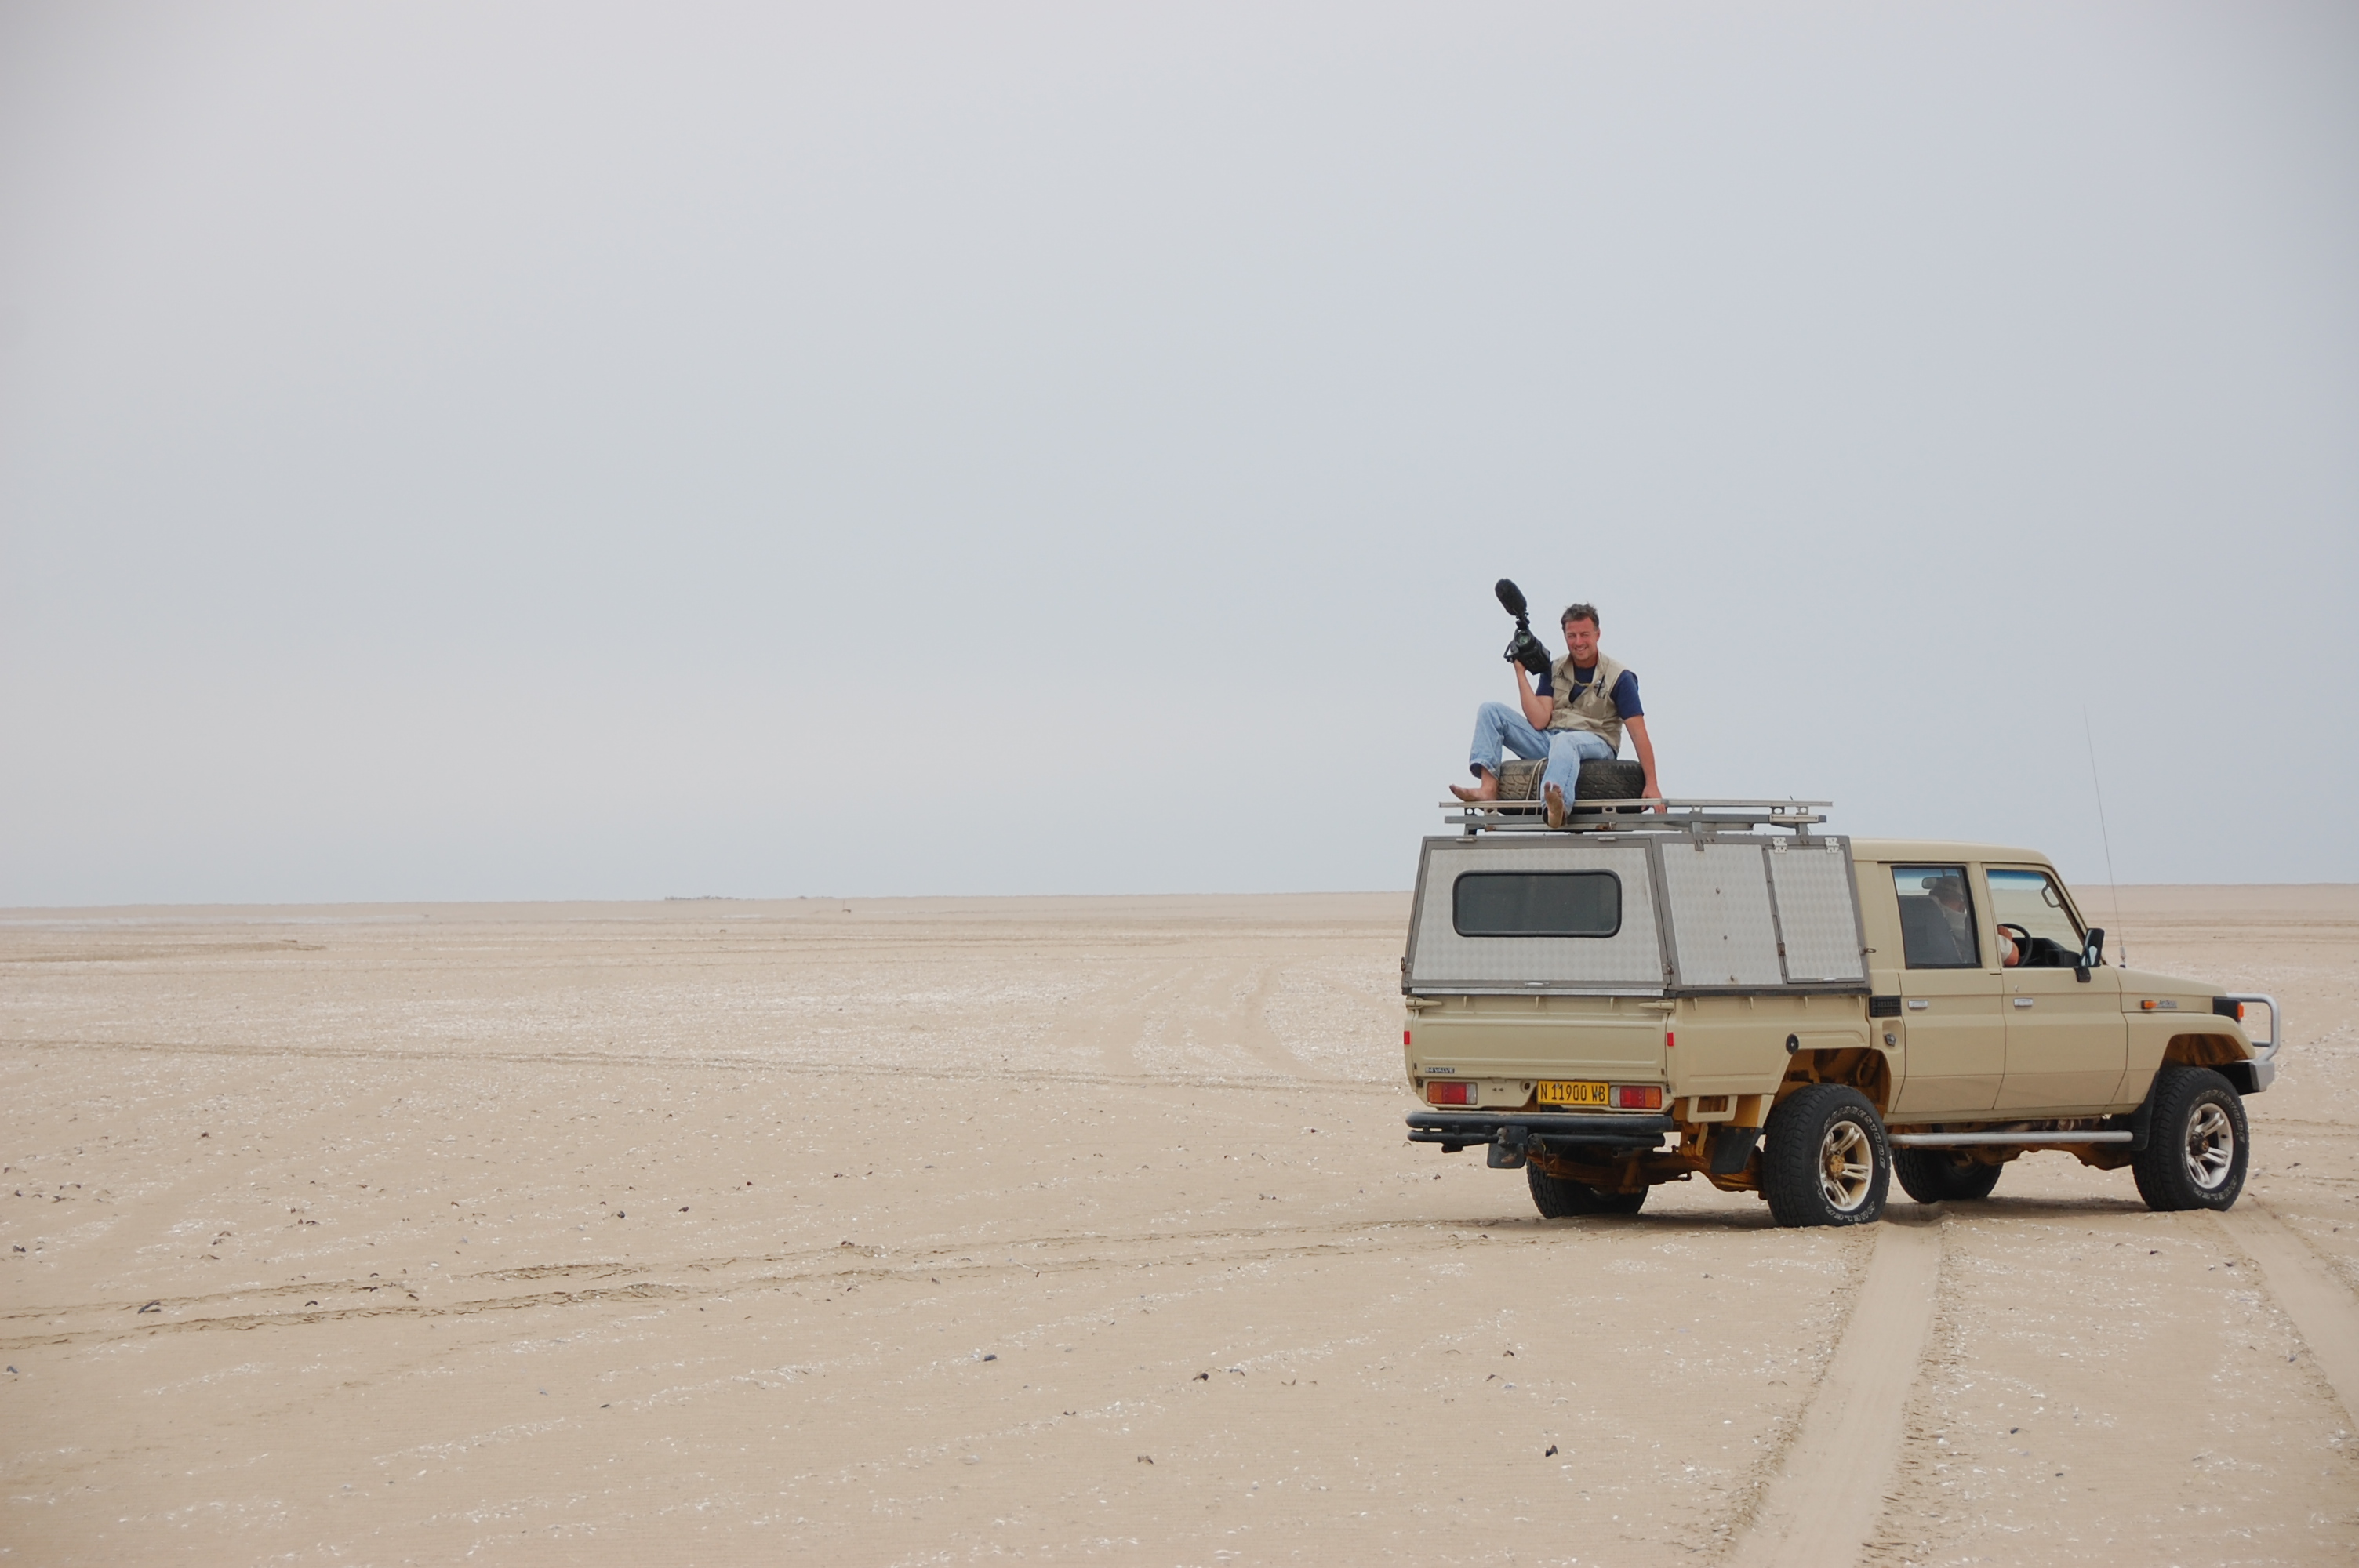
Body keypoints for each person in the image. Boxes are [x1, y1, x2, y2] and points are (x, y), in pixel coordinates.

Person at [1450, 601, 1662, 826]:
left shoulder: (1620, 677)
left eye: (1584, 635)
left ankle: (1555, 807)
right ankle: (1488, 789)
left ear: (1597, 635)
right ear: (1565, 636)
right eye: (1572, 636)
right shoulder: (1554, 669)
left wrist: (1652, 783)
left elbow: (1639, 733)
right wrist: (1520, 673)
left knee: (1565, 741)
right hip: (1552, 740)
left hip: (1597, 743)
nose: (1578, 642)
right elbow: (1540, 720)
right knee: (1490, 710)